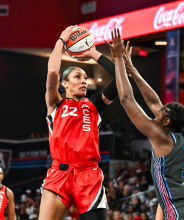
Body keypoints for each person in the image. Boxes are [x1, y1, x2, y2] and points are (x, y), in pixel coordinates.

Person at [105, 28, 184, 219]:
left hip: (180, 210)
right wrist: (132, 70)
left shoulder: (161, 137)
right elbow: (154, 102)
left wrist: (118, 61)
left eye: (158, 115)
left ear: (166, 122)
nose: (154, 114)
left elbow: (126, 99)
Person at [39, 25, 118, 220]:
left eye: (85, 77)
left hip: (89, 175)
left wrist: (93, 53)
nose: (84, 81)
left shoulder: (94, 104)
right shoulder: (56, 104)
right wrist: (61, 40)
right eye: (77, 77)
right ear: (64, 84)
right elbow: (52, 73)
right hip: (60, 173)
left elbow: (121, 79)